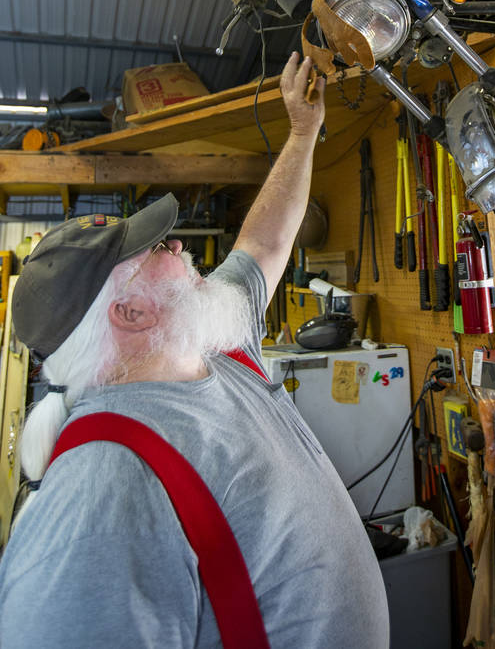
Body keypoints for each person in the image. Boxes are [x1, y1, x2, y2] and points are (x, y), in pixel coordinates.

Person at [0, 53, 390, 649]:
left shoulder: (213, 339)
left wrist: (304, 131)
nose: (177, 242)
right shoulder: (101, 485)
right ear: (130, 312)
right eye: (153, 247)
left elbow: (264, 237)